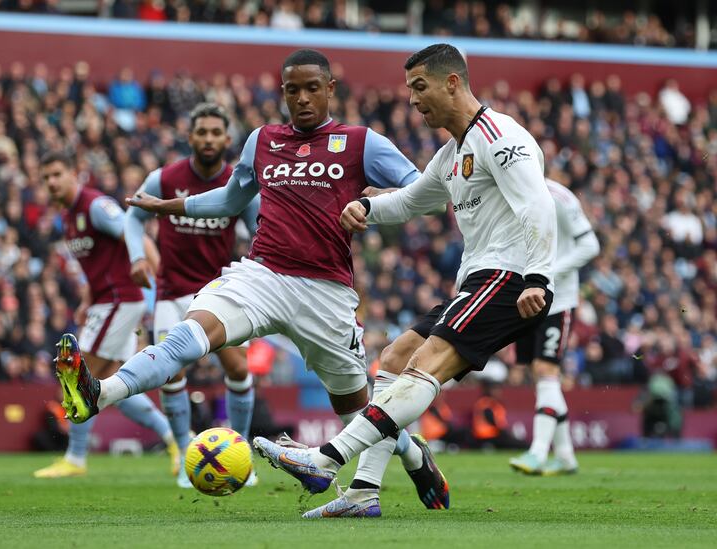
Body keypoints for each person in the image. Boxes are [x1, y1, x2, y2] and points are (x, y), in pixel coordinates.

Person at [51, 49, 447, 514]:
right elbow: (229, 199)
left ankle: (409, 455)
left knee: (358, 416)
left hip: (326, 293)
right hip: (260, 274)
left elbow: (427, 193)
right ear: (282, 93)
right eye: (292, 90)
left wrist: (376, 201)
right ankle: (99, 392)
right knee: (186, 336)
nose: (302, 98)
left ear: (330, 89)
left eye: (312, 88)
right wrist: (166, 208)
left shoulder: (361, 142)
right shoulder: (261, 140)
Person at [252, 43, 558, 517]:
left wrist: (538, 277)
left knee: (426, 362)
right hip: (480, 281)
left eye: (420, 87)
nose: (413, 100)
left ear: (452, 82)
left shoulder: (500, 135)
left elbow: (538, 202)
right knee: (395, 356)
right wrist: (367, 208)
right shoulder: (452, 152)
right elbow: (416, 200)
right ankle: (363, 493)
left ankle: (324, 459)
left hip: (512, 278)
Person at [124, 102, 260, 488]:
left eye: (216, 132)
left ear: (227, 139)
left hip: (219, 292)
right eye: (202, 132)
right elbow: (133, 217)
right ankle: (186, 453)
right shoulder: (164, 179)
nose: (209, 139)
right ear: (190, 137)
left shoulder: (240, 184)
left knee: (238, 369)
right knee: (171, 372)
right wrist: (137, 256)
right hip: (171, 292)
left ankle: (240, 452)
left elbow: (260, 232)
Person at [34, 152, 177, 479]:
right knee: (115, 388)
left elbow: (134, 232)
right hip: (104, 301)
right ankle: (176, 442)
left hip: (119, 301)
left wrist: (159, 280)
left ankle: (76, 458)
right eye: (46, 178)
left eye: (57, 173)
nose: (52, 182)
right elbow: (96, 264)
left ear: (74, 173)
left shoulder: (95, 206)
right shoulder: (68, 216)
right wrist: (86, 298)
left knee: (76, 380)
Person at [509, 178, 599, 475]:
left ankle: (537, 452)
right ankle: (564, 455)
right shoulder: (505, 189)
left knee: (547, 370)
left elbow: (590, 245)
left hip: (558, 299)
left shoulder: (559, 196)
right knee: (539, 373)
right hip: (523, 297)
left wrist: (547, 274)